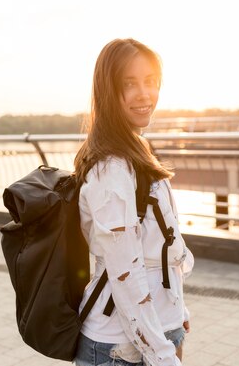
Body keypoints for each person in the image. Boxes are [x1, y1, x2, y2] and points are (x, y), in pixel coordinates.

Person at [73, 38, 194, 366]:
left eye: (151, 82)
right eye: (130, 84)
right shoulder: (110, 169)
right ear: (109, 91)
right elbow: (125, 273)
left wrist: (175, 312)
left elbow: (163, 244)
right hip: (121, 350)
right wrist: (164, 356)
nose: (145, 94)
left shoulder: (136, 147)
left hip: (157, 334)